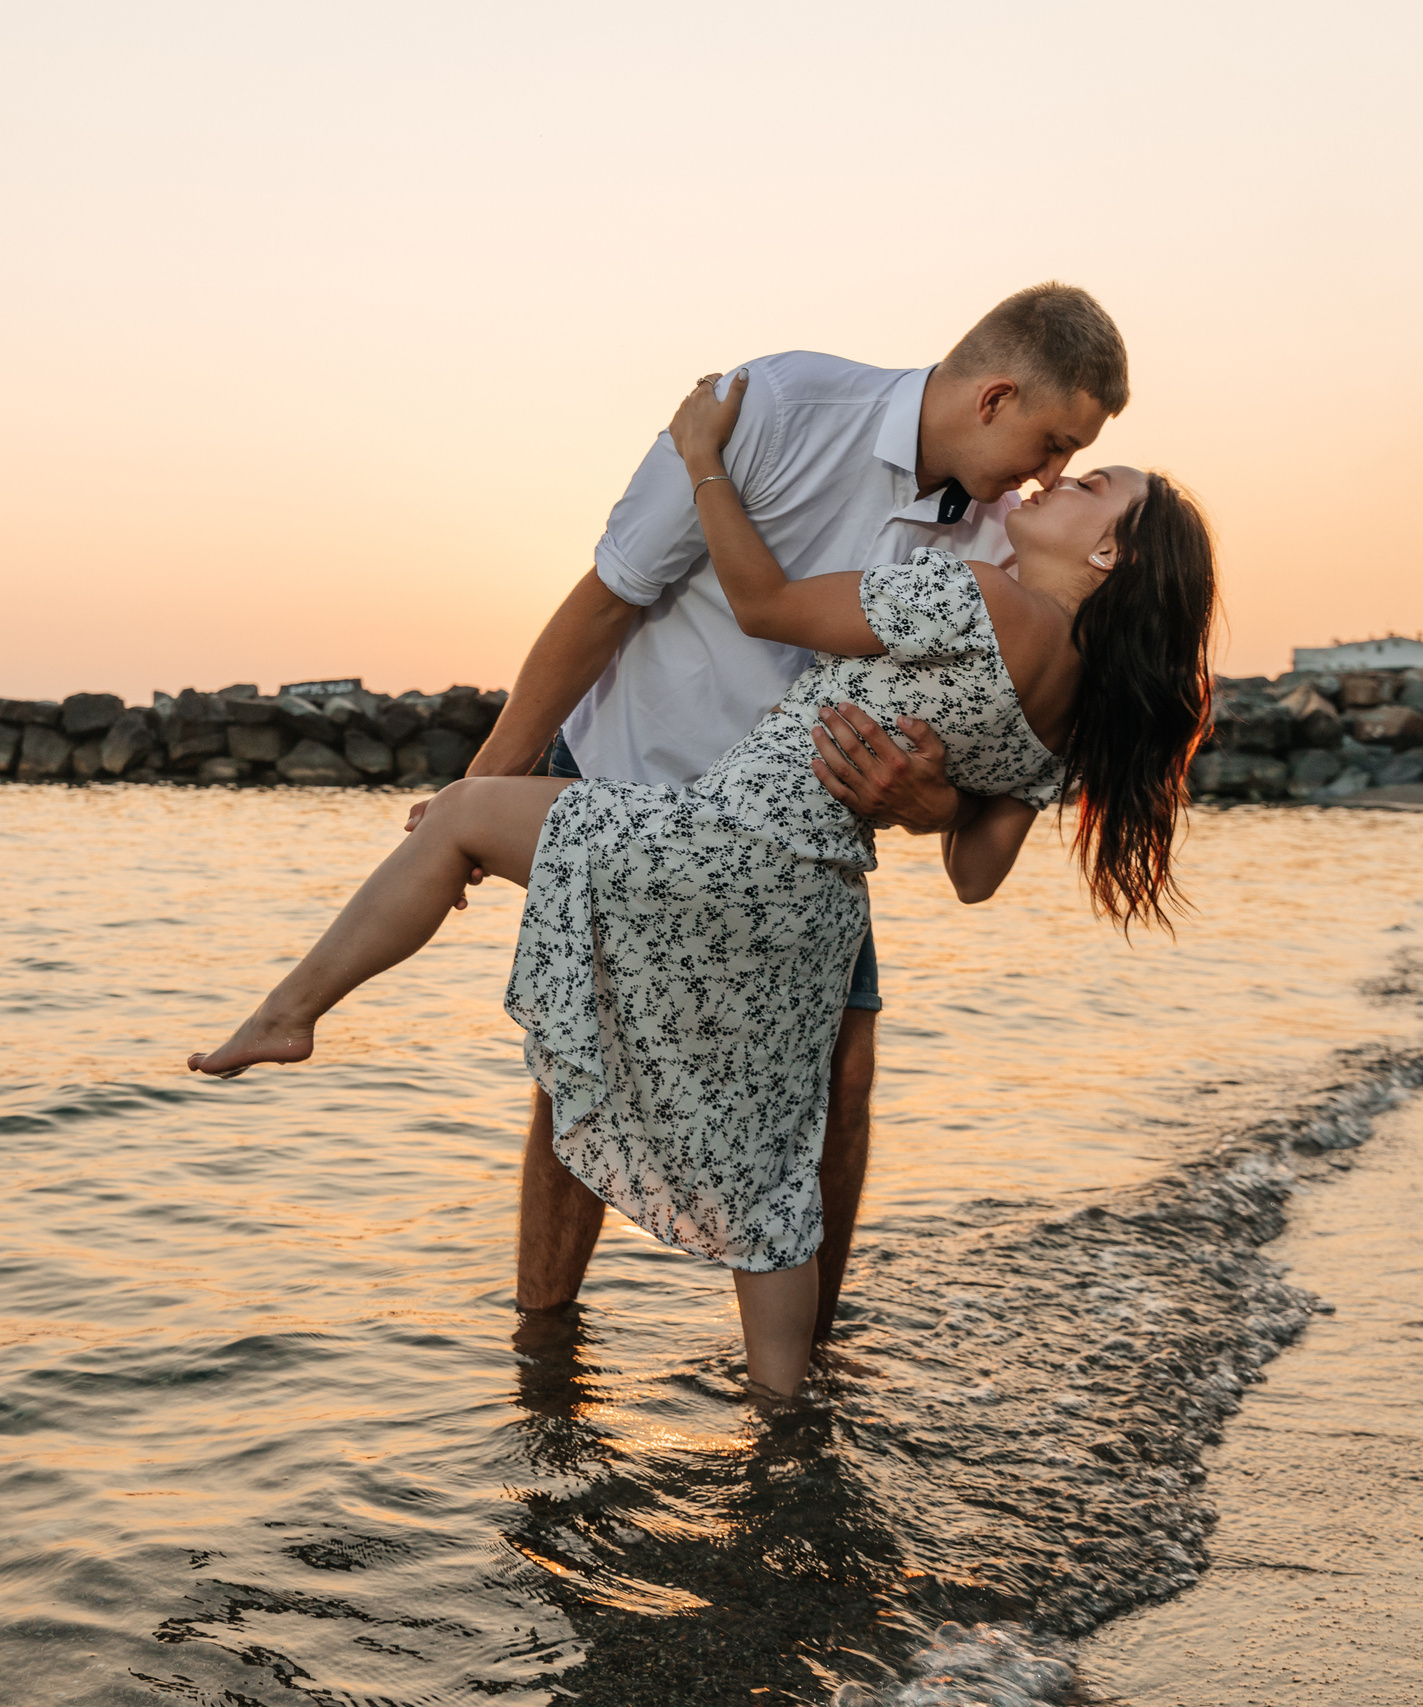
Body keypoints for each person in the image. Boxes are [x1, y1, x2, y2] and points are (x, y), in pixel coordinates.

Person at [188, 370, 1218, 1401]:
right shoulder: (1078, 717)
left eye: (1090, 485)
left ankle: (289, 1013)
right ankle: (783, 1413)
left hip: (722, 841)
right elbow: (973, 875)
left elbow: (762, 605)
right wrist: (927, 797)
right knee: (771, 1182)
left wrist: (703, 461)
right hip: (812, 911)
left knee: (461, 815)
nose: (1057, 479)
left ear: (1105, 553)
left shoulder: (979, 595)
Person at [464, 283, 1133, 1344]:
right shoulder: (773, 407)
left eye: (1072, 460)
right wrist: (484, 787)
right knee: (586, 1061)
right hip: (639, 765)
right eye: (1053, 442)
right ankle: (542, 1344)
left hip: (806, 829)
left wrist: (926, 800)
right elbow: (609, 596)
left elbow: (963, 782)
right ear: (997, 396)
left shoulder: (1011, 543)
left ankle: (798, 1374)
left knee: (842, 1077)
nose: (1049, 474)